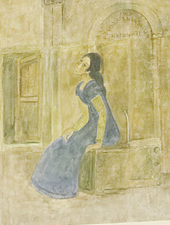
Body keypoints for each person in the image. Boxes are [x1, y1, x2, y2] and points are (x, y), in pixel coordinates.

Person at [30, 52, 120, 199]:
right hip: (90, 126)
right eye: (80, 62)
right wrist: (73, 129)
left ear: (89, 71)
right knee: (59, 144)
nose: (78, 66)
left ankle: (64, 189)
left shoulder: (93, 88)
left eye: (84, 65)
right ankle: (45, 184)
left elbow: (103, 115)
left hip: (104, 130)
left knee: (72, 147)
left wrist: (99, 142)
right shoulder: (81, 87)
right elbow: (86, 115)